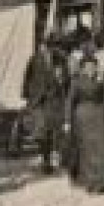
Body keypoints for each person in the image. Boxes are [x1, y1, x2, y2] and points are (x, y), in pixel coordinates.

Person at [69, 55, 104, 194]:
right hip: (83, 117)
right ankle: (93, 182)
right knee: (89, 150)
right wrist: (66, 121)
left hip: (99, 116)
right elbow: (70, 101)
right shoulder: (76, 82)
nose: (91, 69)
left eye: (93, 66)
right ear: (83, 68)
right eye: (88, 66)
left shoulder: (101, 79)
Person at [22, 37, 70, 174]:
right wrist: (29, 98)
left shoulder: (60, 59)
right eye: (48, 46)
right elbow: (27, 78)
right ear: (42, 46)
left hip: (55, 100)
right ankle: (46, 161)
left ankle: (62, 159)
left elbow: (66, 78)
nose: (50, 49)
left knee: (58, 131)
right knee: (43, 133)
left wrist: (62, 79)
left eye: (53, 46)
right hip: (40, 101)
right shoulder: (35, 59)